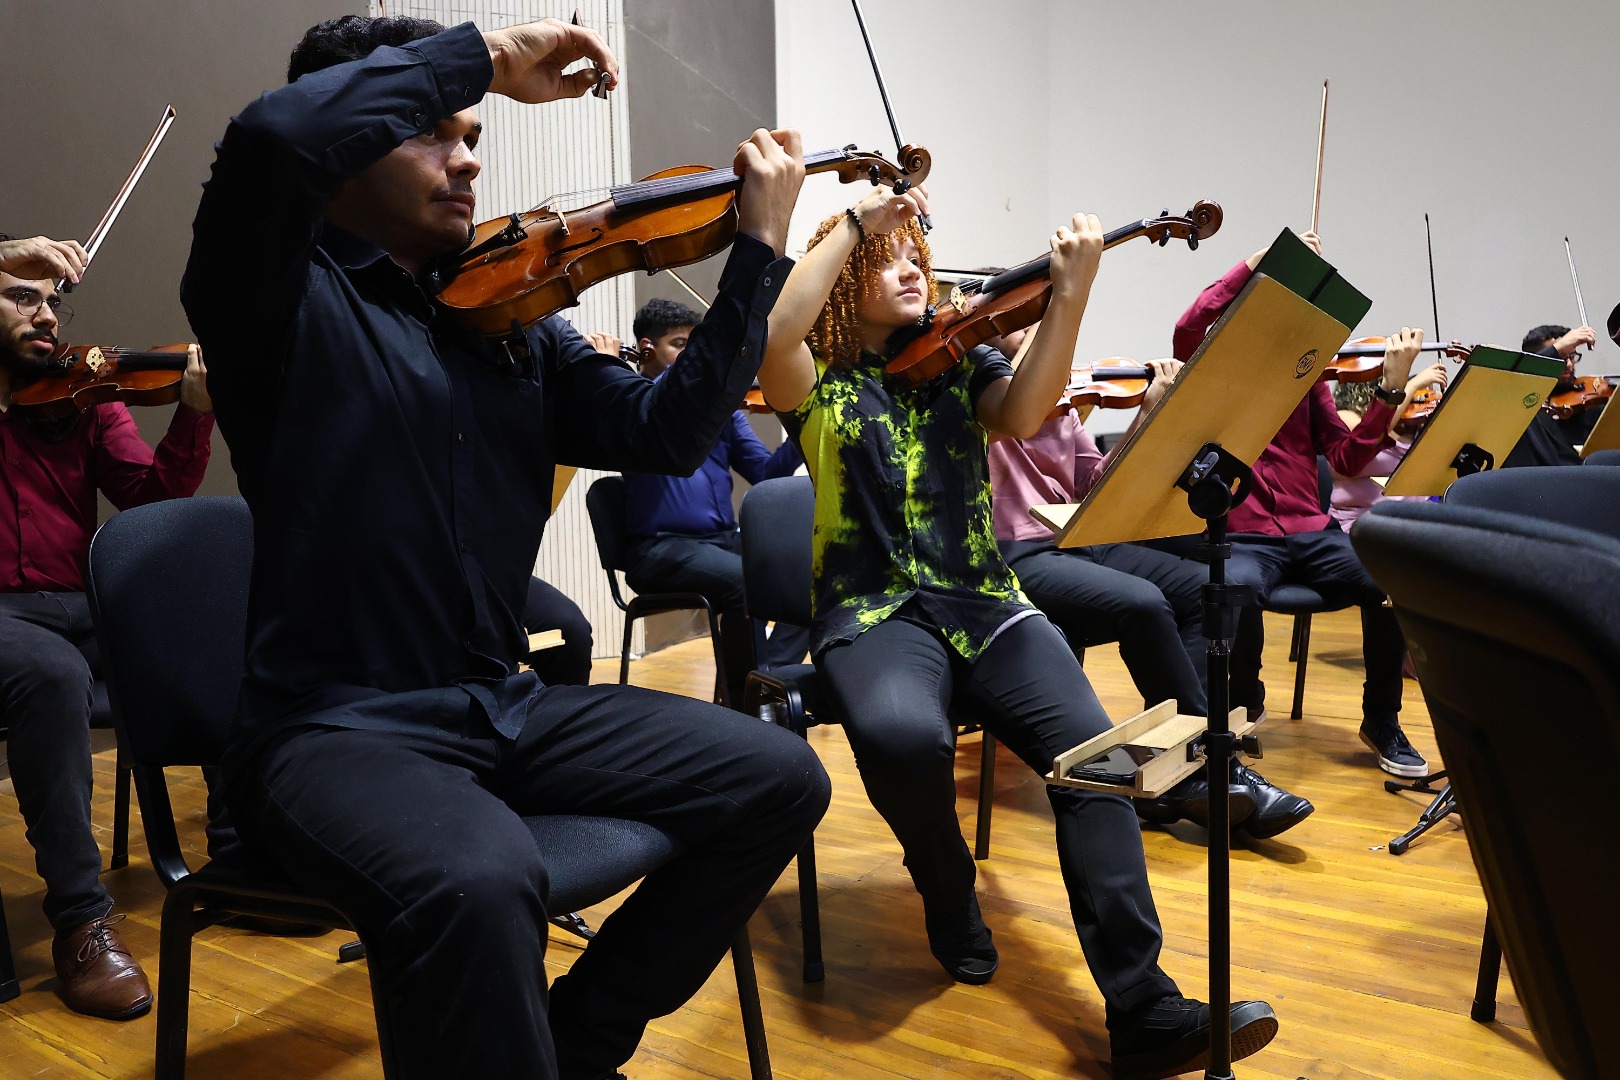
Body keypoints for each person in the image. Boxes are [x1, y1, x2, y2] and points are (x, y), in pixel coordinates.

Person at [180, 15, 829, 1080]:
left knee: (776, 776)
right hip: (332, 729)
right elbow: (268, 144)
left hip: (498, 706)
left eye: (472, 132)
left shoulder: (511, 319)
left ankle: (578, 1047)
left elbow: (661, 432)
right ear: (350, 143)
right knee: (479, 880)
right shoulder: (278, 298)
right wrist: (481, 56)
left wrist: (755, 252)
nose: (470, 154)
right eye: (432, 132)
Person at [759, 187, 1278, 1078]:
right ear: (845, 285)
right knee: (898, 735)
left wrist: (1070, 294)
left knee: (1102, 764)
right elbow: (775, 330)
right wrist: (855, 226)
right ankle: (947, 886)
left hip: (986, 601)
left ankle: (1146, 1007)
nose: (913, 264)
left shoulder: (964, 367)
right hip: (873, 612)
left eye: (917, 251)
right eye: (889, 261)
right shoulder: (814, 385)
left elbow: (1029, 413)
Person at [0, 232, 215, 1019]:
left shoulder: (86, 397)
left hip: (78, 608)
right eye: (24, 295)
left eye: (54, 300)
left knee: (220, 639)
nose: (47, 314)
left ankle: (236, 856)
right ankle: (82, 922)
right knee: (48, 674)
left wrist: (193, 416)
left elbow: (148, 506)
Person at [986, 329, 1312, 839]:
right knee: (1143, 603)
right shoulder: (973, 393)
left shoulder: (1062, 405)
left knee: (1212, 590)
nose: (1033, 331)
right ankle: (1213, 767)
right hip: (1015, 551)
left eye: (1040, 321)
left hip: (1079, 537)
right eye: (1020, 324)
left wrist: (1147, 415)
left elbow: (1100, 489)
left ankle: (1177, 768)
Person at [1172, 232, 1425, 778]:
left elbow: (1347, 456)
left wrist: (1389, 391)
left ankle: (1381, 718)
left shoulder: (1307, 378)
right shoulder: (1215, 365)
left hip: (1313, 532)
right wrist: (1261, 260)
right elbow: (1187, 327)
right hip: (1243, 534)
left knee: (1390, 585)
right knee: (1232, 591)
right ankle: (1241, 703)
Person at [613, 297, 808, 706]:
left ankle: (763, 683)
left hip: (723, 541)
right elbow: (660, 403)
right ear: (646, 348)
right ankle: (748, 700)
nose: (692, 355)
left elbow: (765, 474)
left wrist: (799, 428)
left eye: (695, 345)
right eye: (681, 344)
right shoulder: (632, 401)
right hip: (660, 548)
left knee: (810, 575)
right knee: (743, 582)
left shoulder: (724, 413)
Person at [1327, 365, 1445, 530]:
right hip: (1362, 524)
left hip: (1412, 520)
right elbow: (1371, 435)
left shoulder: (1403, 424)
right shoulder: (1345, 417)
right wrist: (1413, 384)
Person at [1501, 323, 1601, 468]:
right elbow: (1514, 381)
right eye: (1559, 357)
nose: (1568, 365)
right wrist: (1556, 348)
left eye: (1571, 357)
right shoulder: (1521, 405)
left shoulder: (1588, 401)